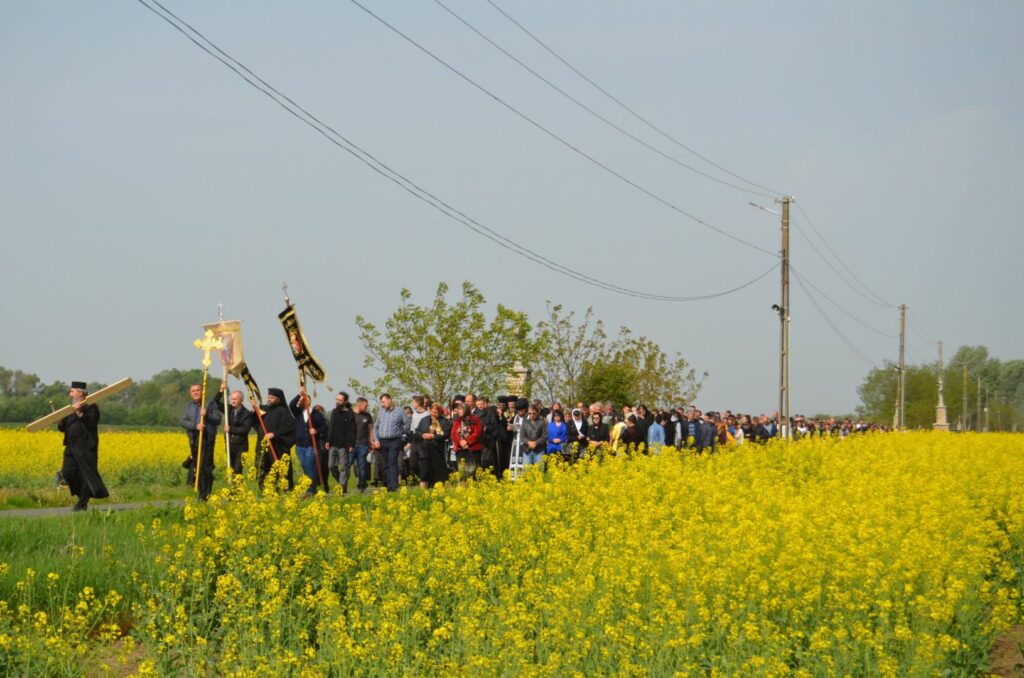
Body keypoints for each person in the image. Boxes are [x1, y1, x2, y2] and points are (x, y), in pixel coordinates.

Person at [58, 381, 109, 511]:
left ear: (80, 393)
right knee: (67, 472)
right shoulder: (69, 409)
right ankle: (82, 498)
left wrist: (80, 412)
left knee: (86, 475)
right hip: (70, 447)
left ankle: (82, 503)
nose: (70, 394)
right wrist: (59, 422)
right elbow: (63, 428)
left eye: (72, 391)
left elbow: (91, 423)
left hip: (86, 447)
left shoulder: (91, 408)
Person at [181, 382, 222, 501]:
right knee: (197, 467)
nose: (196, 393)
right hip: (194, 439)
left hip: (207, 439)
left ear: (202, 391)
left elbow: (218, 420)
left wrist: (207, 415)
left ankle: (205, 494)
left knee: (206, 467)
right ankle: (201, 491)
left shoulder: (210, 403)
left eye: (198, 390)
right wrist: (195, 426)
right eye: (193, 391)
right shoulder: (188, 406)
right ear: (190, 393)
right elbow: (183, 422)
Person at [254, 388, 296, 490]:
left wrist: (274, 434)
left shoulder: (284, 412)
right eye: (268, 397)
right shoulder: (264, 409)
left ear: (279, 399)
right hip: (264, 446)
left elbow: (289, 428)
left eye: (272, 398)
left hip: (278, 447)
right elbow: (255, 422)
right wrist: (254, 409)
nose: (269, 399)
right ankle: (265, 491)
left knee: (280, 470)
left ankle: (284, 491)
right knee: (263, 468)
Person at [373, 393, 411, 492]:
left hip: (395, 440)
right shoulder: (381, 412)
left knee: (392, 462)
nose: (382, 404)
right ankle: (388, 484)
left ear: (390, 400)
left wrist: (402, 434)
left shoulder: (399, 411)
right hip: (382, 441)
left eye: (384, 402)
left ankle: (394, 485)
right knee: (385, 464)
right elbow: (376, 427)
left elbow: (407, 423)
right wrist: (376, 439)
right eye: (381, 402)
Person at [214, 384, 254, 476]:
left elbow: (245, 429)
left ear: (241, 400)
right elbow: (215, 402)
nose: (233, 401)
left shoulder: (247, 414)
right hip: (229, 444)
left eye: (235, 399)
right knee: (230, 469)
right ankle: (231, 488)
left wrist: (230, 429)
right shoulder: (228, 409)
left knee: (237, 469)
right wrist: (221, 391)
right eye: (232, 399)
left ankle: (238, 489)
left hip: (241, 446)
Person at [412, 402, 451, 488]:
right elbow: (417, 431)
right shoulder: (424, 420)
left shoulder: (444, 421)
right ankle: (425, 481)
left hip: (437, 448)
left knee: (437, 466)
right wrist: (423, 435)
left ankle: (439, 483)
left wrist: (433, 436)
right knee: (424, 464)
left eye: (436, 412)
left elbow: (445, 434)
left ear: (440, 412)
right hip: (424, 449)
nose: (433, 414)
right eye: (432, 412)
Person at [327, 392, 356, 489]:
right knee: (331, 466)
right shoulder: (334, 412)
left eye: (340, 400)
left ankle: (342, 487)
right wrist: (328, 441)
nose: (337, 402)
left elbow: (353, 431)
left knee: (344, 467)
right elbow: (331, 427)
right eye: (337, 399)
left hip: (344, 445)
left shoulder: (350, 414)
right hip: (333, 444)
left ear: (345, 401)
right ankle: (341, 481)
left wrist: (351, 444)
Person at [451, 402, 483, 480]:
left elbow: (477, 433)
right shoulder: (457, 421)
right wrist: (460, 442)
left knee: (472, 470)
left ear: (466, 410)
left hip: (472, 448)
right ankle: (463, 487)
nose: (459, 411)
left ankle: (472, 487)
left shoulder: (475, 419)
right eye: (458, 409)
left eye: (461, 409)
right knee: (462, 470)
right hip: (460, 448)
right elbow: (453, 434)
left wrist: (467, 441)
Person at [351, 397, 374, 493]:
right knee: (348, 464)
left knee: (362, 466)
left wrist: (372, 442)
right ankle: (342, 486)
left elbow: (371, 431)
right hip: (351, 444)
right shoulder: (350, 415)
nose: (366, 408)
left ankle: (361, 485)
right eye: (365, 406)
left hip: (363, 444)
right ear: (359, 404)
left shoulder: (367, 415)